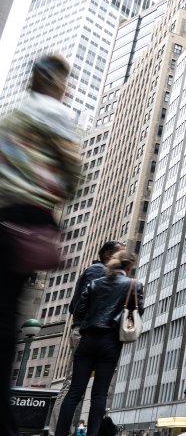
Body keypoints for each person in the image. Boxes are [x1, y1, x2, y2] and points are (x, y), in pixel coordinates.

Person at [0, 54, 80, 436]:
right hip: (26, 222)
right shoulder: (56, 113)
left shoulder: (12, 117)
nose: (68, 87)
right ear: (55, 82)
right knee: (6, 320)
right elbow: (72, 172)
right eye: (66, 80)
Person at [55, 250, 144, 436]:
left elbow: (78, 311)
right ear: (129, 267)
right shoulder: (133, 285)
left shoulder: (95, 283)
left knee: (74, 392)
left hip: (87, 339)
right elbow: (138, 312)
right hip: (110, 342)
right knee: (99, 394)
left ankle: (60, 433)